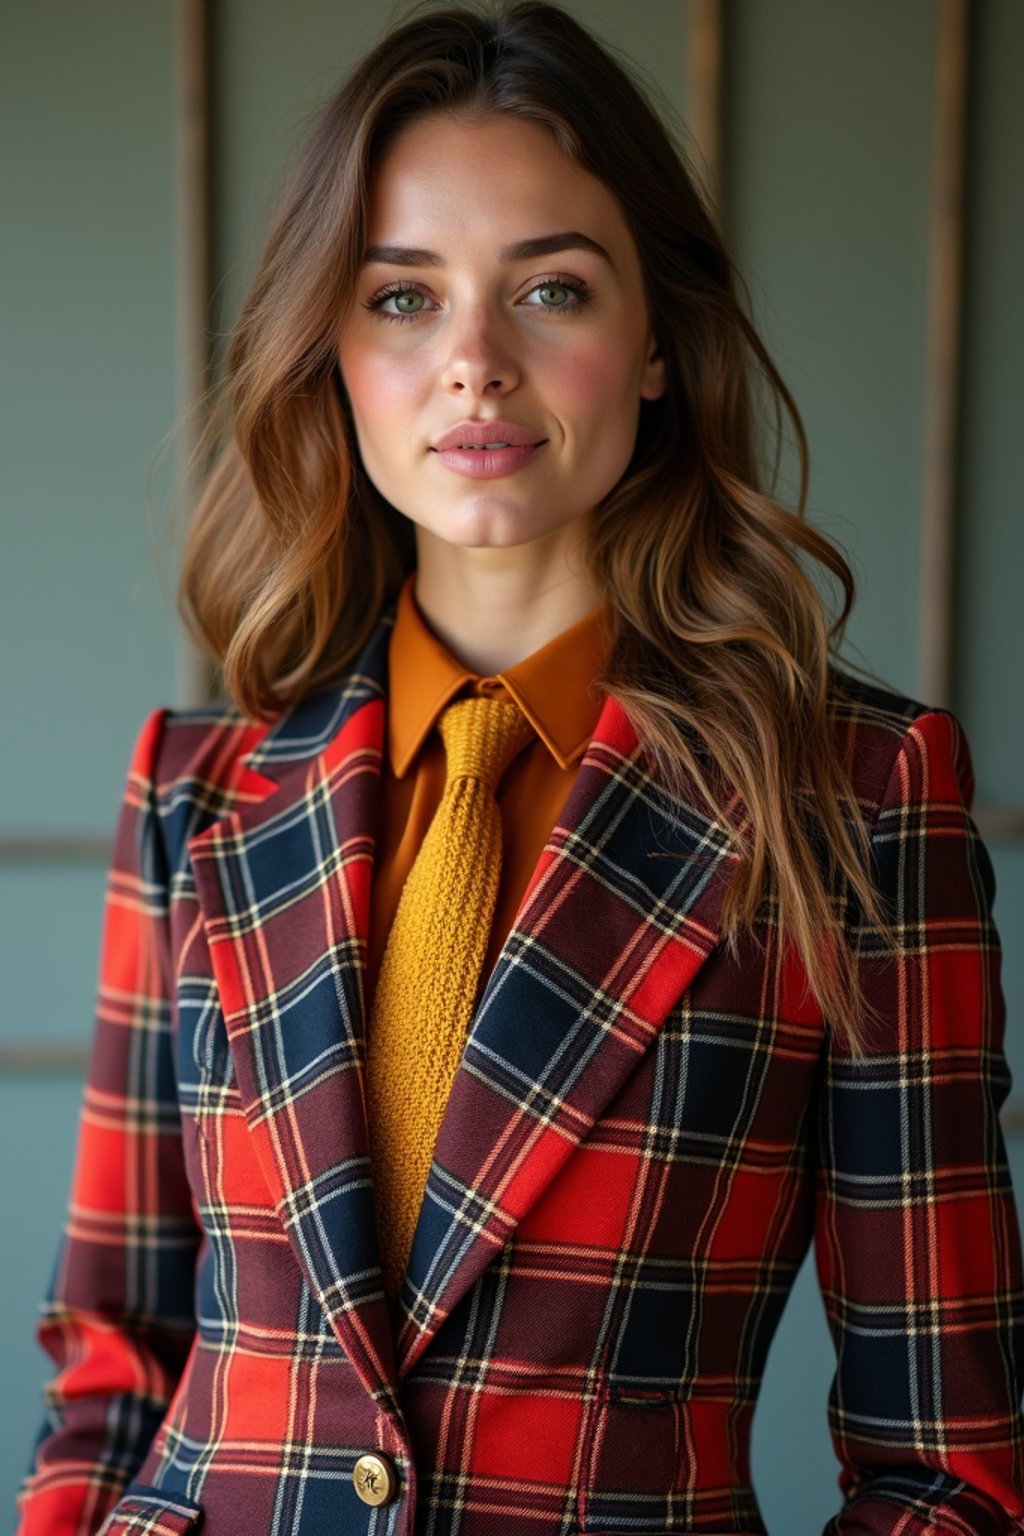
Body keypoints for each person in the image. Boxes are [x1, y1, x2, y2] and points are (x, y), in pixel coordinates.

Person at [16, 2, 1024, 1532]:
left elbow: (947, 1467)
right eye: (403, 300)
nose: (474, 363)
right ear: (331, 353)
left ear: (662, 345)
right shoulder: (198, 790)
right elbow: (112, 1362)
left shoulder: (854, 803)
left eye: (549, 288)